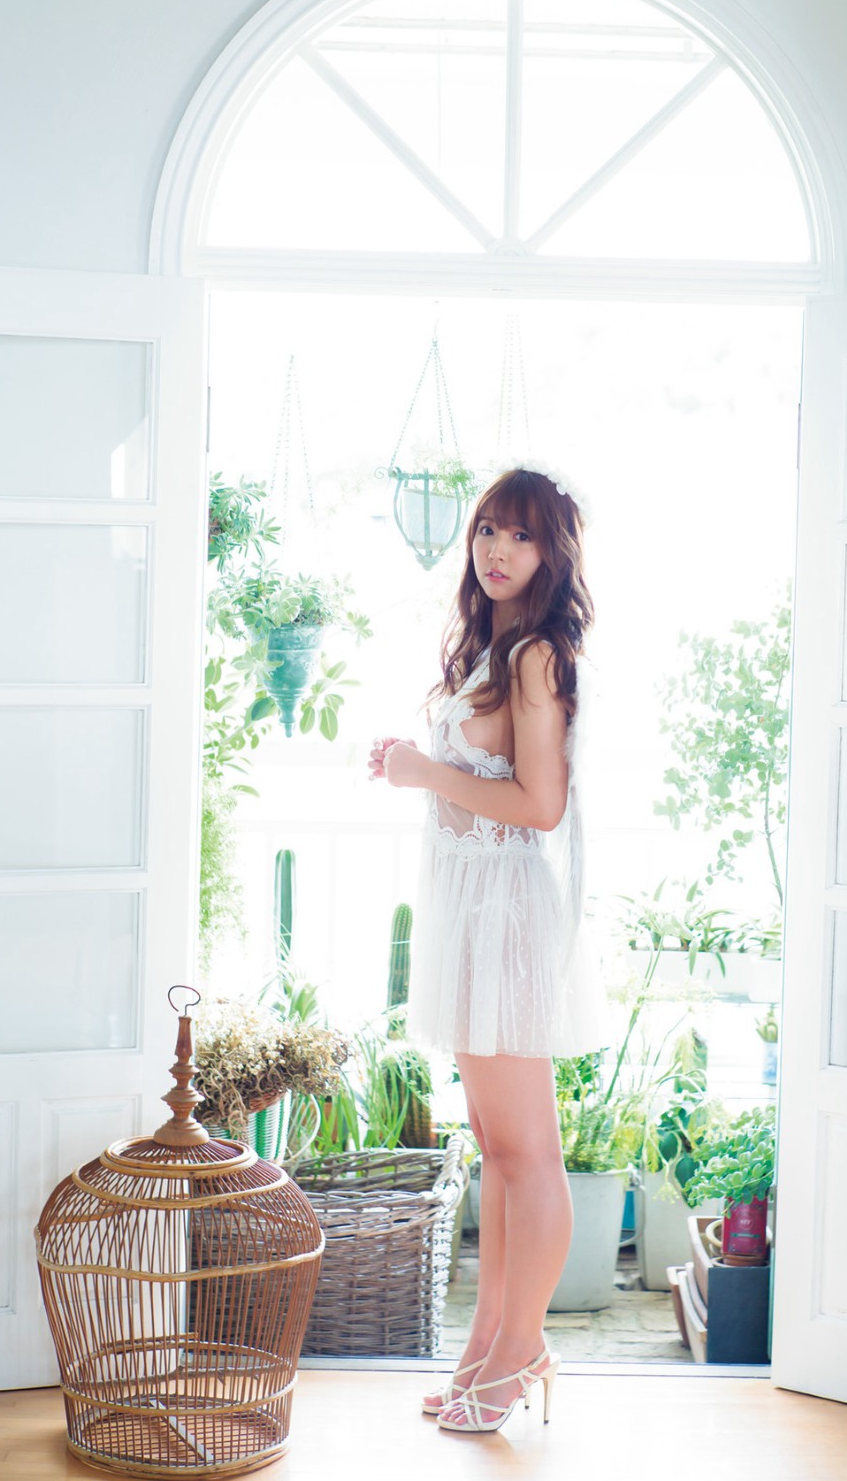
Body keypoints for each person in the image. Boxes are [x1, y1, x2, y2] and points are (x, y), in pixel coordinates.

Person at [368, 463, 609, 1434]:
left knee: (527, 1153)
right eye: (487, 531)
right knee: (497, 1152)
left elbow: (540, 805)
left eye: (521, 535)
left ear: (552, 553)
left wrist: (424, 771)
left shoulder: (537, 656)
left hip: (506, 912)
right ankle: (487, 1347)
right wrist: (412, 766)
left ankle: (522, 1350)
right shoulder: (491, 648)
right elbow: (479, 780)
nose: (497, 550)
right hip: (470, 910)